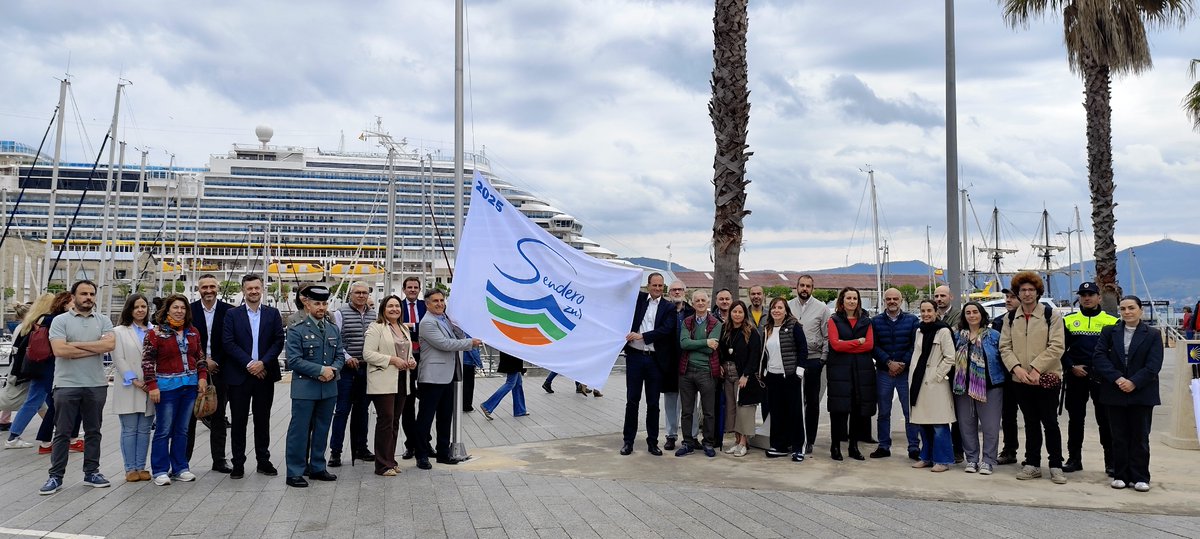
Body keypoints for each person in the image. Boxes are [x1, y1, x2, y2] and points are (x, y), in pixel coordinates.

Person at [40, 280, 116, 496]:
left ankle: (92, 472)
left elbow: (109, 345)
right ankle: (55, 476)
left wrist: (72, 345)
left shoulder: (103, 320)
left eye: (92, 293)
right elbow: (60, 351)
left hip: (96, 384)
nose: (88, 297)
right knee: (62, 433)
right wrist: (94, 347)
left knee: (94, 431)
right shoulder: (59, 321)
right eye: (84, 293)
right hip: (66, 384)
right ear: (73, 297)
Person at [1000, 271, 1067, 484]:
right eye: (1023, 290)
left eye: (1031, 290)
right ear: (1017, 294)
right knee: (1030, 422)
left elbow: (1057, 346)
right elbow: (1005, 347)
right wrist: (1016, 369)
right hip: (1021, 380)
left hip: (1046, 377)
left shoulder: (1051, 316)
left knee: (1050, 422)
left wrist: (1037, 369)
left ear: (1038, 292)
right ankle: (1032, 464)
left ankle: (1056, 464)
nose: (1027, 294)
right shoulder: (1010, 318)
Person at [1092, 296, 1163, 492]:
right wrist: (1118, 379)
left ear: (1140, 310)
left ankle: (1140, 476)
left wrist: (1134, 382)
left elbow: (1153, 365)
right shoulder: (1109, 331)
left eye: (1131, 308)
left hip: (1141, 392)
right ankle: (1120, 474)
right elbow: (1099, 357)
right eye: (1123, 309)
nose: (1127, 312)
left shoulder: (1153, 334)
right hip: (1115, 391)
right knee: (1119, 436)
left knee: (1140, 436)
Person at [222, 273, 285, 479]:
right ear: (243, 290)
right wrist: (250, 363)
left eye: (257, 288)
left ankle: (263, 460)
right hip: (240, 375)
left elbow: (278, 341)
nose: (253, 291)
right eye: (249, 288)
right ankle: (238, 463)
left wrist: (263, 363)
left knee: (262, 420)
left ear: (262, 289)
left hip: (264, 375)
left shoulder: (273, 313)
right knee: (238, 421)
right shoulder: (232, 314)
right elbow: (228, 342)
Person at [143, 294, 209, 486]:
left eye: (183, 308)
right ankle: (160, 470)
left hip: (189, 387)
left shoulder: (193, 332)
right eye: (175, 308)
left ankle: (180, 467)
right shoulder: (155, 334)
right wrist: (152, 386)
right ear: (167, 310)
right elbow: (147, 362)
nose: (179, 311)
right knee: (163, 430)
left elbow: (200, 356)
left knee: (182, 429)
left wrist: (203, 377)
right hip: (166, 388)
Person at [284, 285, 344, 488]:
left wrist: (333, 370)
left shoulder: (332, 328)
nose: (321, 307)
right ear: (306, 304)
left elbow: (340, 355)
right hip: (305, 388)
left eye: (324, 303)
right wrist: (320, 370)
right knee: (299, 431)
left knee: (322, 429)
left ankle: (318, 466)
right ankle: (294, 471)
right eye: (317, 303)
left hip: (328, 388)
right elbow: (293, 360)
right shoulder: (297, 329)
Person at [416, 289, 481, 470]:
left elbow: (458, 336)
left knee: (445, 417)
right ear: (427, 304)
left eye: (442, 300)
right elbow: (445, 344)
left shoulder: (444, 319)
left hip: (448, 376)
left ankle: (443, 453)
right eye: (435, 301)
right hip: (432, 378)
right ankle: (421, 455)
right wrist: (470, 343)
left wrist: (458, 322)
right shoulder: (427, 322)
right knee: (425, 418)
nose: (439, 304)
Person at [1061, 281, 1119, 475]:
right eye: (1083, 294)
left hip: (1101, 378)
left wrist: (1105, 371)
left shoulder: (1112, 321)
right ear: (1079, 297)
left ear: (1099, 297)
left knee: (1105, 419)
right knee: (1076, 419)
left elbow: (1115, 352)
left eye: (1091, 294)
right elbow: (1060, 348)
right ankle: (1074, 459)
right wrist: (1071, 366)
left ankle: (1111, 462)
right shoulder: (1068, 320)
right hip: (1076, 375)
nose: (1087, 297)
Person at [620, 272, 674, 456]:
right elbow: (623, 290)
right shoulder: (639, 300)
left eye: (661, 286)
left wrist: (643, 336)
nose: (658, 289)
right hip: (635, 358)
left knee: (653, 404)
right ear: (648, 285)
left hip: (654, 360)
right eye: (654, 285)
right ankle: (628, 442)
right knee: (632, 401)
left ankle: (653, 442)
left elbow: (666, 330)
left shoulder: (668, 307)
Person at [361, 295, 416, 476]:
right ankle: (382, 465)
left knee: (394, 422)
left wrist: (411, 361)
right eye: (390, 306)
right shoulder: (376, 328)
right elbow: (368, 354)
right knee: (385, 420)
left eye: (397, 306)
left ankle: (390, 461)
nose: (394, 309)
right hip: (383, 379)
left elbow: (406, 352)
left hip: (402, 379)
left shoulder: (403, 328)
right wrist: (392, 360)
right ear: (383, 309)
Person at [186, 274, 233, 473]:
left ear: (217, 288)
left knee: (218, 416)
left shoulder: (229, 311)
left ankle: (219, 459)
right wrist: (203, 361)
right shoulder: (189, 310)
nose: (208, 290)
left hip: (221, 370)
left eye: (212, 286)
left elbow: (232, 339)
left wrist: (216, 361)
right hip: (193, 369)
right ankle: (183, 460)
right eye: (204, 287)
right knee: (189, 418)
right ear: (199, 289)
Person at [952, 301, 1004, 475]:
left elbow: (1003, 358)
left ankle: (988, 460)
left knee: (990, 427)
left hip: (990, 387)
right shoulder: (958, 336)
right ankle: (972, 459)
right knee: (966, 426)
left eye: (975, 312)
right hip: (963, 388)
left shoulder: (994, 335)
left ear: (982, 314)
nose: (972, 315)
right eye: (968, 312)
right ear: (964, 316)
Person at [826, 286, 877, 461]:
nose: (852, 301)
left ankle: (853, 446)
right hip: (839, 370)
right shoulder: (833, 320)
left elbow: (869, 345)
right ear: (842, 301)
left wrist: (847, 344)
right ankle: (835, 446)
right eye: (848, 298)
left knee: (857, 409)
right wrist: (857, 342)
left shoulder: (866, 320)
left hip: (861, 371)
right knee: (838, 410)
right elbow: (835, 345)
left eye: (855, 298)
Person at [869, 287, 920, 460]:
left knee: (909, 412)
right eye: (888, 299)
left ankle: (914, 447)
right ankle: (883, 446)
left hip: (905, 373)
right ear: (884, 301)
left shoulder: (912, 320)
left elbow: (915, 345)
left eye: (895, 299)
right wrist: (888, 363)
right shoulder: (875, 321)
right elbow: (873, 346)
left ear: (901, 301)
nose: (892, 301)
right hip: (884, 372)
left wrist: (902, 365)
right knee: (883, 412)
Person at [329, 281, 375, 467]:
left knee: (362, 411)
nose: (361, 296)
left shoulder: (374, 315)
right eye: (358, 292)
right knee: (342, 410)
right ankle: (336, 452)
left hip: (367, 368)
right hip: (346, 369)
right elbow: (335, 340)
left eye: (364, 292)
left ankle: (360, 448)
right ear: (351, 294)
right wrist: (346, 357)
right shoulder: (340, 313)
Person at [110, 294, 155, 482]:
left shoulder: (154, 330)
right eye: (136, 306)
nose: (140, 310)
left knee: (144, 429)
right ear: (129, 309)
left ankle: (141, 466)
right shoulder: (119, 331)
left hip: (150, 386)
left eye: (143, 306)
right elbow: (118, 358)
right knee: (129, 429)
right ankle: (130, 468)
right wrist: (134, 379)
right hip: (130, 386)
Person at [909, 299, 956, 472]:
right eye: (923, 310)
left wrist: (937, 375)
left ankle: (943, 460)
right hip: (919, 382)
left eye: (929, 310)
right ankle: (926, 456)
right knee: (923, 422)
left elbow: (950, 357)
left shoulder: (943, 330)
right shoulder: (919, 330)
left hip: (936, 383)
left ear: (936, 311)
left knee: (939, 424)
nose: (926, 314)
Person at [758, 297, 807, 461]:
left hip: (791, 376)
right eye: (773, 307)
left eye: (780, 307)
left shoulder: (794, 326)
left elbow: (802, 348)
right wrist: (763, 371)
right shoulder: (768, 328)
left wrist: (799, 370)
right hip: (773, 377)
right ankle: (779, 445)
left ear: (786, 310)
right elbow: (764, 352)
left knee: (794, 412)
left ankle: (798, 447)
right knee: (777, 413)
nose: (776, 310)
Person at [5, 293, 56, 450]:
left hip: (30, 368)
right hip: (41, 367)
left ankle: (59, 429)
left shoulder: (28, 323)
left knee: (42, 401)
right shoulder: (44, 322)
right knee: (35, 401)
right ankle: (13, 436)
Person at [675, 290, 722, 458]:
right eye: (697, 300)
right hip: (686, 371)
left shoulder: (716, 323)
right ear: (692, 303)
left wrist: (696, 344)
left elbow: (712, 348)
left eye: (703, 300)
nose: (700, 303)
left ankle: (708, 443)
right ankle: (688, 442)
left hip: (707, 371)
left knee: (709, 411)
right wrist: (705, 342)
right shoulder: (687, 322)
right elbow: (684, 344)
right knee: (687, 410)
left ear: (708, 302)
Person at [788, 275, 829, 455]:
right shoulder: (788, 306)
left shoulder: (822, 308)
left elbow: (827, 336)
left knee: (812, 402)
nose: (805, 288)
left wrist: (822, 360)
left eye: (808, 286)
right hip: (792, 359)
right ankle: (793, 437)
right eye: (802, 285)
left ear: (813, 288)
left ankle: (809, 439)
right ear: (796, 287)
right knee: (793, 400)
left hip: (814, 360)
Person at [724, 301, 766, 457]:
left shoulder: (751, 332)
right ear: (730, 313)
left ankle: (743, 442)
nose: (737, 315)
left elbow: (754, 356)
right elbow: (723, 351)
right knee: (732, 409)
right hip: (729, 374)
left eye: (740, 312)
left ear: (744, 314)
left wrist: (746, 375)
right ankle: (736, 441)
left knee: (745, 409)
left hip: (744, 376)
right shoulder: (726, 330)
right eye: (734, 312)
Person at [661, 280, 694, 451]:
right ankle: (671, 435)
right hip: (669, 363)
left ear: (685, 291)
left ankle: (692, 436)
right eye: (673, 290)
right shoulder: (664, 310)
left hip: (689, 362)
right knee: (671, 402)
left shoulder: (692, 311)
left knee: (690, 402)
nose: (676, 292)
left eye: (679, 289)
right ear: (669, 292)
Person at [991, 288, 1022, 465]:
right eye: (1007, 297)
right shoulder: (998, 322)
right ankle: (1010, 450)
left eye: (1012, 297)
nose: (1008, 300)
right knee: (1008, 415)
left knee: (1034, 417)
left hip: (1028, 373)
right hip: (1006, 375)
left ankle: (1035, 455)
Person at [398, 276, 425, 460]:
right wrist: (416, 328)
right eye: (410, 287)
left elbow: (427, 329)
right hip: (404, 360)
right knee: (407, 404)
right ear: (404, 289)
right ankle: (410, 444)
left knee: (426, 404)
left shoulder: (426, 306)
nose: (413, 290)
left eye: (416, 287)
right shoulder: (396, 306)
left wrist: (411, 327)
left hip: (424, 359)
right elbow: (396, 329)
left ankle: (425, 441)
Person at [481, 351, 529, 420]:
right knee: (510, 383)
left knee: (518, 383)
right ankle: (487, 406)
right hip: (513, 360)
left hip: (512, 359)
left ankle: (520, 410)